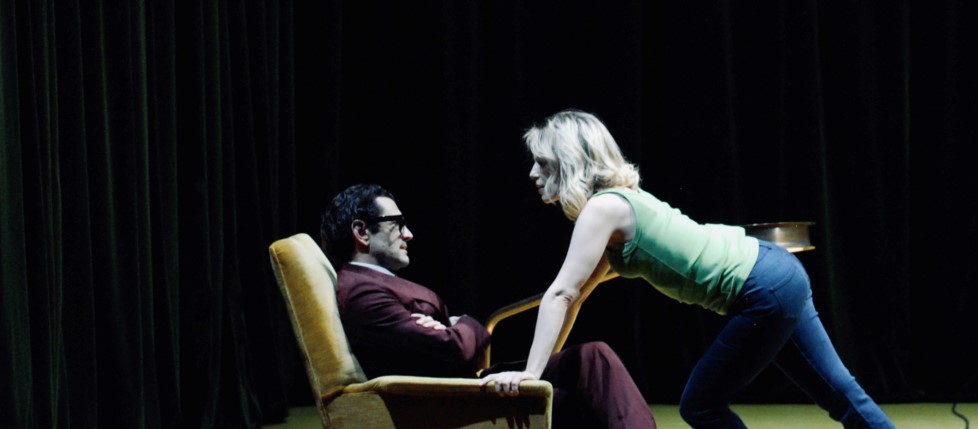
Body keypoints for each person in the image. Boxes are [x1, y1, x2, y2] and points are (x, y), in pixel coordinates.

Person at [479, 109, 896, 429]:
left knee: (701, 404)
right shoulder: (618, 203)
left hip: (763, 287)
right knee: (839, 392)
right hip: (777, 271)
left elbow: (562, 293)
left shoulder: (603, 209)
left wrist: (531, 374)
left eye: (542, 162)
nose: (532, 173)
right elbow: (575, 298)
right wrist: (542, 370)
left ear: (569, 160)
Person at [319, 183, 657, 429]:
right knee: (582, 401)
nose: (408, 234)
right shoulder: (364, 293)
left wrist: (450, 327)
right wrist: (464, 323)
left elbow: (447, 342)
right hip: (451, 400)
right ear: (361, 232)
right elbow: (456, 349)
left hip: (465, 385)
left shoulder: (375, 285)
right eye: (397, 224)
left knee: (592, 357)